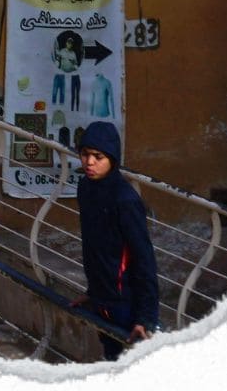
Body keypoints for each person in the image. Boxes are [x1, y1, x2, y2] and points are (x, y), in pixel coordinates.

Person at [71, 121, 158, 361]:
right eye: (85, 154)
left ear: (112, 158)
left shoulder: (125, 199)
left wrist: (145, 317)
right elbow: (95, 245)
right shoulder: (85, 188)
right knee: (110, 358)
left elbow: (143, 258)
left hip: (125, 302)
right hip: (101, 298)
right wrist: (93, 292)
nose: (89, 162)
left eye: (98, 156)